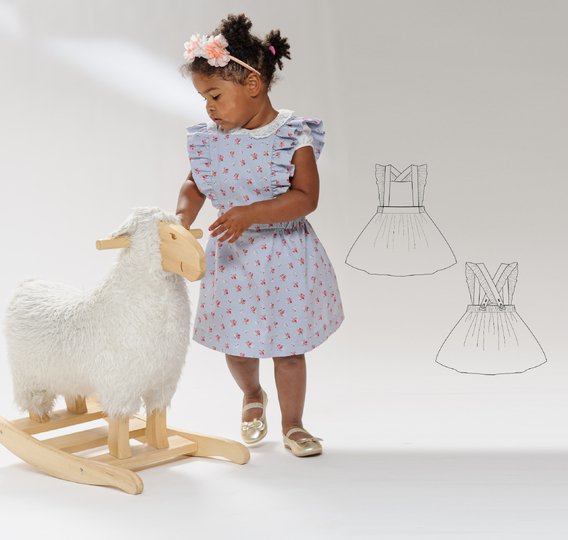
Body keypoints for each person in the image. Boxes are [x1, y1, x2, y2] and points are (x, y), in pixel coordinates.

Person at [176, 13, 344, 457]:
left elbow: (306, 197)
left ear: (253, 85)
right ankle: (252, 394)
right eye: (203, 98)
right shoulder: (211, 139)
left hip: (284, 256)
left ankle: (293, 424)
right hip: (233, 258)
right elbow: (195, 183)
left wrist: (251, 213)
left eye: (215, 95)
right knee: (238, 344)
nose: (209, 108)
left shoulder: (292, 135)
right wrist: (181, 219)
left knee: (288, 350)